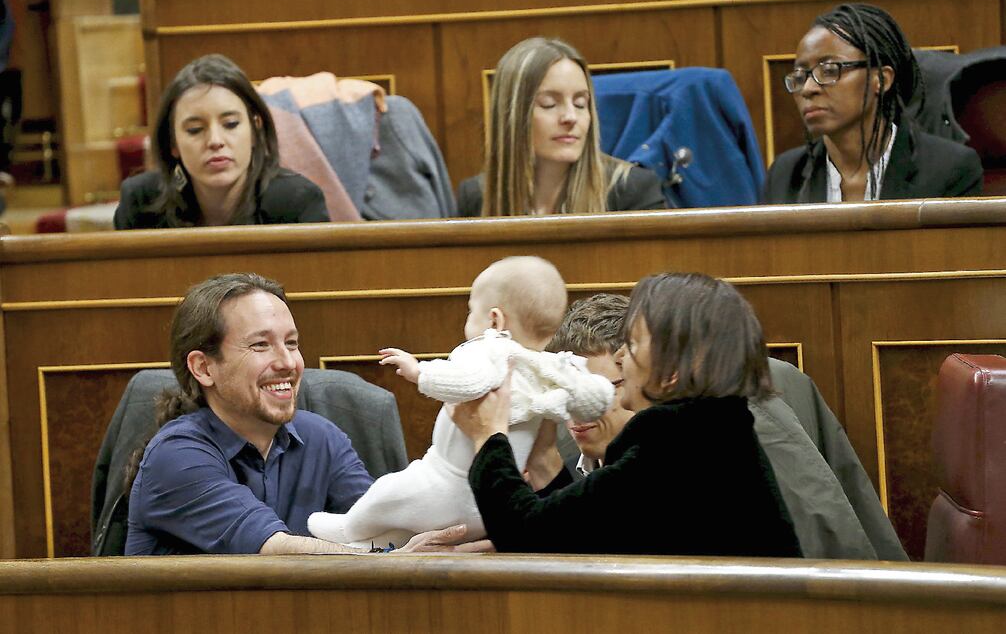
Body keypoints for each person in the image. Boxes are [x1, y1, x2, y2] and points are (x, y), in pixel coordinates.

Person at [125, 272, 483, 555]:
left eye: (292, 343)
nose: (288, 363)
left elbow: (381, 528)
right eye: (261, 345)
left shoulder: (322, 437)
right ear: (203, 368)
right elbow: (274, 548)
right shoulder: (175, 455)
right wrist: (394, 559)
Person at [450, 273, 803, 557]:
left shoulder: (678, 449)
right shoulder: (711, 430)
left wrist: (487, 437)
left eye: (632, 344)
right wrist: (544, 459)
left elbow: (527, 533)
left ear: (673, 370)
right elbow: (588, 536)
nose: (620, 357)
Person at [541, 293, 907, 560]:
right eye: (566, 390)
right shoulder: (556, 437)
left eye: (604, 389)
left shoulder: (735, 434)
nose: (579, 412)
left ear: (649, 376)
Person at [307, 256, 613, 548]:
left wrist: (420, 372)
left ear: (495, 320)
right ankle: (368, 544)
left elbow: (468, 381)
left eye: (470, 311)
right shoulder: (551, 368)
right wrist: (599, 394)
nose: (467, 321)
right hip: (492, 503)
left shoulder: (491, 350)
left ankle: (350, 527)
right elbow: (591, 397)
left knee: (389, 491)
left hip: (446, 480)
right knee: (410, 526)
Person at [764, 3, 982, 204]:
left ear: (881, 79)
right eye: (801, 76)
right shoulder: (785, 175)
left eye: (830, 70)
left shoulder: (949, 169)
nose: (808, 88)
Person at [456, 37, 666, 217]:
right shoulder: (476, 196)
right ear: (513, 115)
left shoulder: (633, 190)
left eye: (580, 104)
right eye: (549, 104)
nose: (570, 117)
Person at [114, 54, 330, 229]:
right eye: (195, 130)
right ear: (173, 144)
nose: (215, 141)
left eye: (231, 124)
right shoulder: (141, 201)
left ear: (255, 130)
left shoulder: (297, 201)